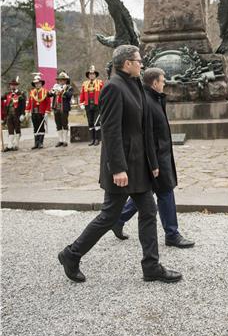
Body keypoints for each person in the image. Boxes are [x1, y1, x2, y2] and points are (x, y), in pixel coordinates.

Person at [58, 45, 182, 284]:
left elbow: (144, 129)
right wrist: (117, 168)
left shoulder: (135, 84)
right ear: (127, 64)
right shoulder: (113, 88)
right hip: (123, 168)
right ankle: (71, 254)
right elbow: (111, 131)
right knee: (108, 216)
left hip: (139, 165)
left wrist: (153, 162)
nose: (141, 64)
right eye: (138, 60)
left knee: (148, 210)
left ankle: (151, 266)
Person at [113, 67, 195, 248]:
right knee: (166, 192)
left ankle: (118, 219)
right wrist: (154, 162)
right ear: (155, 83)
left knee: (146, 193)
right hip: (156, 157)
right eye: (163, 80)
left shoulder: (153, 98)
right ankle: (172, 234)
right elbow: (146, 134)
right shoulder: (148, 101)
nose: (165, 83)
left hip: (159, 155)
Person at [80, 65, 104, 146]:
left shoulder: (100, 83)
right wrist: (81, 103)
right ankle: (92, 139)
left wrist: (103, 103)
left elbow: (103, 94)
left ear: (95, 75)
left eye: (93, 74)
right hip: (88, 104)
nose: (91, 75)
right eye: (90, 74)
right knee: (90, 122)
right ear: (88, 75)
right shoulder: (85, 84)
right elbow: (82, 94)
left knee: (96, 122)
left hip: (97, 104)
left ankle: (97, 139)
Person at [25, 74, 51, 149]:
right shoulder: (32, 92)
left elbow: (48, 102)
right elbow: (30, 102)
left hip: (41, 112)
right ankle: (36, 143)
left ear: (41, 83)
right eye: (36, 83)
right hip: (33, 112)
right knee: (35, 127)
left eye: (38, 83)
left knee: (41, 128)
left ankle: (40, 143)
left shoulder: (45, 91)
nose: (37, 84)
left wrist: (47, 111)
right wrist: (27, 111)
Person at [48, 71, 73, 147]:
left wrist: (62, 91)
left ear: (66, 80)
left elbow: (69, 95)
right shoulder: (55, 87)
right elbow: (49, 95)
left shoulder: (69, 87)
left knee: (64, 124)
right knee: (58, 124)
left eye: (63, 79)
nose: (61, 81)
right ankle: (60, 140)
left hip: (64, 108)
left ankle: (65, 140)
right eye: (60, 80)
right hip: (56, 108)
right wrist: (52, 91)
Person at [2, 77, 26, 152]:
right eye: (12, 85)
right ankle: (10, 145)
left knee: (17, 129)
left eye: (14, 85)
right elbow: (1, 99)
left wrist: (22, 114)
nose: (13, 86)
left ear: (17, 86)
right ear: (10, 86)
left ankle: (16, 145)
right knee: (10, 130)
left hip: (17, 114)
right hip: (9, 115)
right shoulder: (7, 94)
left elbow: (23, 105)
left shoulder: (21, 94)